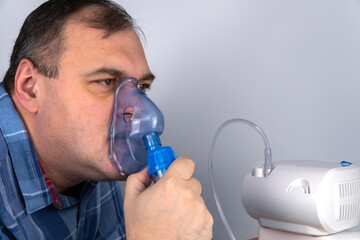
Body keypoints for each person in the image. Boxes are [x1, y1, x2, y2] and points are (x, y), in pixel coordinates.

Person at [0, 0, 213, 239]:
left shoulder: (93, 162)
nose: (138, 110)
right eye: (107, 81)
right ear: (30, 88)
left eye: (141, 87)